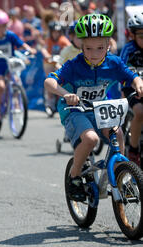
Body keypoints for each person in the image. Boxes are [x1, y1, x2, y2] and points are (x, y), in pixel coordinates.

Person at [44, 14, 143, 201]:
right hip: (74, 110)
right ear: (81, 46)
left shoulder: (113, 62)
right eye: (88, 48)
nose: (94, 53)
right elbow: (49, 81)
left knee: (119, 134)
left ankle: (119, 175)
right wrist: (66, 94)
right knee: (91, 139)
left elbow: (130, 75)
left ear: (108, 45)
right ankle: (74, 177)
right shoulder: (74, 65)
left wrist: (138, 83)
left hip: (99, 108)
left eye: (100, 48)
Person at [0, 9, 36, 122]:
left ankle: (15, 102)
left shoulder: (10, 35)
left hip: (8, 64)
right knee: (1, 86)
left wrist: (29, 49)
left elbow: (21, 44)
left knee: (16, 81)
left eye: (4, 26)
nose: (1, 29)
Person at [120, 11, 143, 165]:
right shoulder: (128, 49)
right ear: (133, 36)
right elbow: (121, 72)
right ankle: (133, 150)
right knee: (140, 111)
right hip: (131, 89)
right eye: (142, 36)